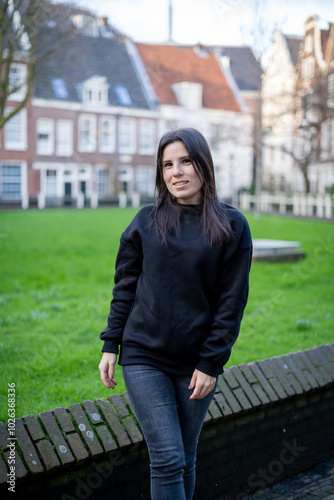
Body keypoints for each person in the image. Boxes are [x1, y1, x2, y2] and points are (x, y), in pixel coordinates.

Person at [99, 128, 252, 500]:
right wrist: (110, 343)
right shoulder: (145, 221)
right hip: (144, 356)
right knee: (167, 458)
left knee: (185, 455)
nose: (176, 172)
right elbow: (125, 288)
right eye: (167, 164)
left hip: (196, 363)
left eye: (185, 161)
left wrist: (211, 362)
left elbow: (231, 304)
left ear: (204, 165)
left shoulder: (232, 226)